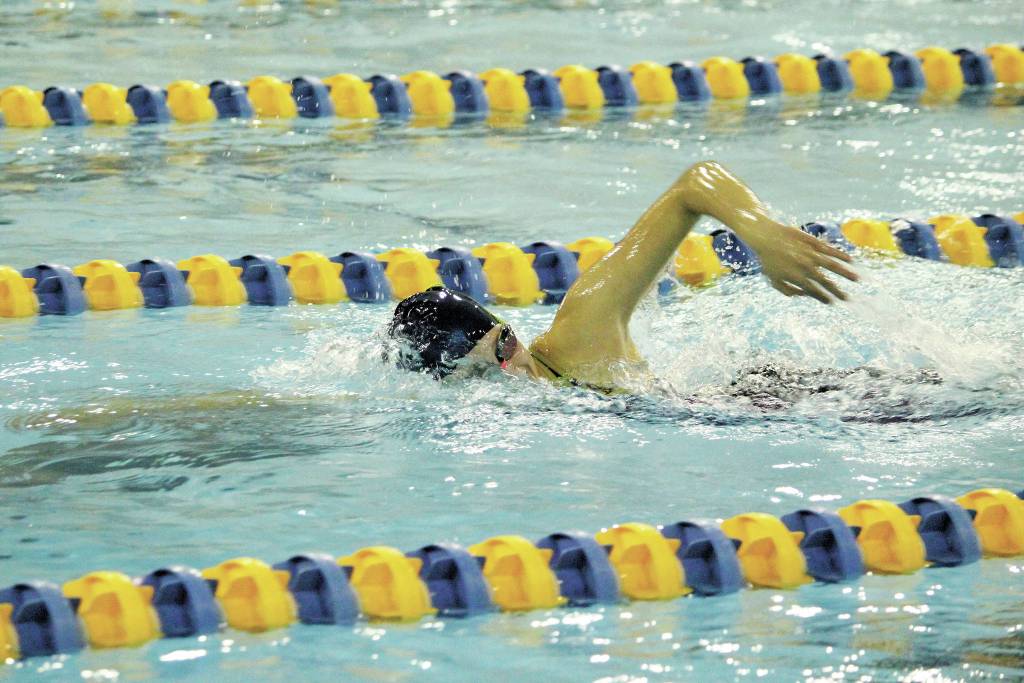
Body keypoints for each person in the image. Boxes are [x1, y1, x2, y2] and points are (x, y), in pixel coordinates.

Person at [387, 160, 859, 391]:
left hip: (782, 398)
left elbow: (695, 183)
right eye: (492, 366)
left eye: (507, 342)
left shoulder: (581, 332)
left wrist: (763, 235)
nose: (517, 365)